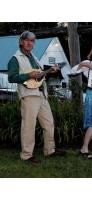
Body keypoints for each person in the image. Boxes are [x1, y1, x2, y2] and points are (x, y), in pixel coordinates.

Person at [8, 31, 65, 164]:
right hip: (28, 96)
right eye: (27, 40)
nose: (30, 43)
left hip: (41, 94)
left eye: (32, 41)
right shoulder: (15, 58)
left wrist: (50, 71)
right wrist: (28, 75)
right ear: (21, 42)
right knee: (28, 126)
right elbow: (11, 77)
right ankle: (27, 155)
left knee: (49, 123)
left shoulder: (34, 57)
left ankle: (49, 150)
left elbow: (39, 76)